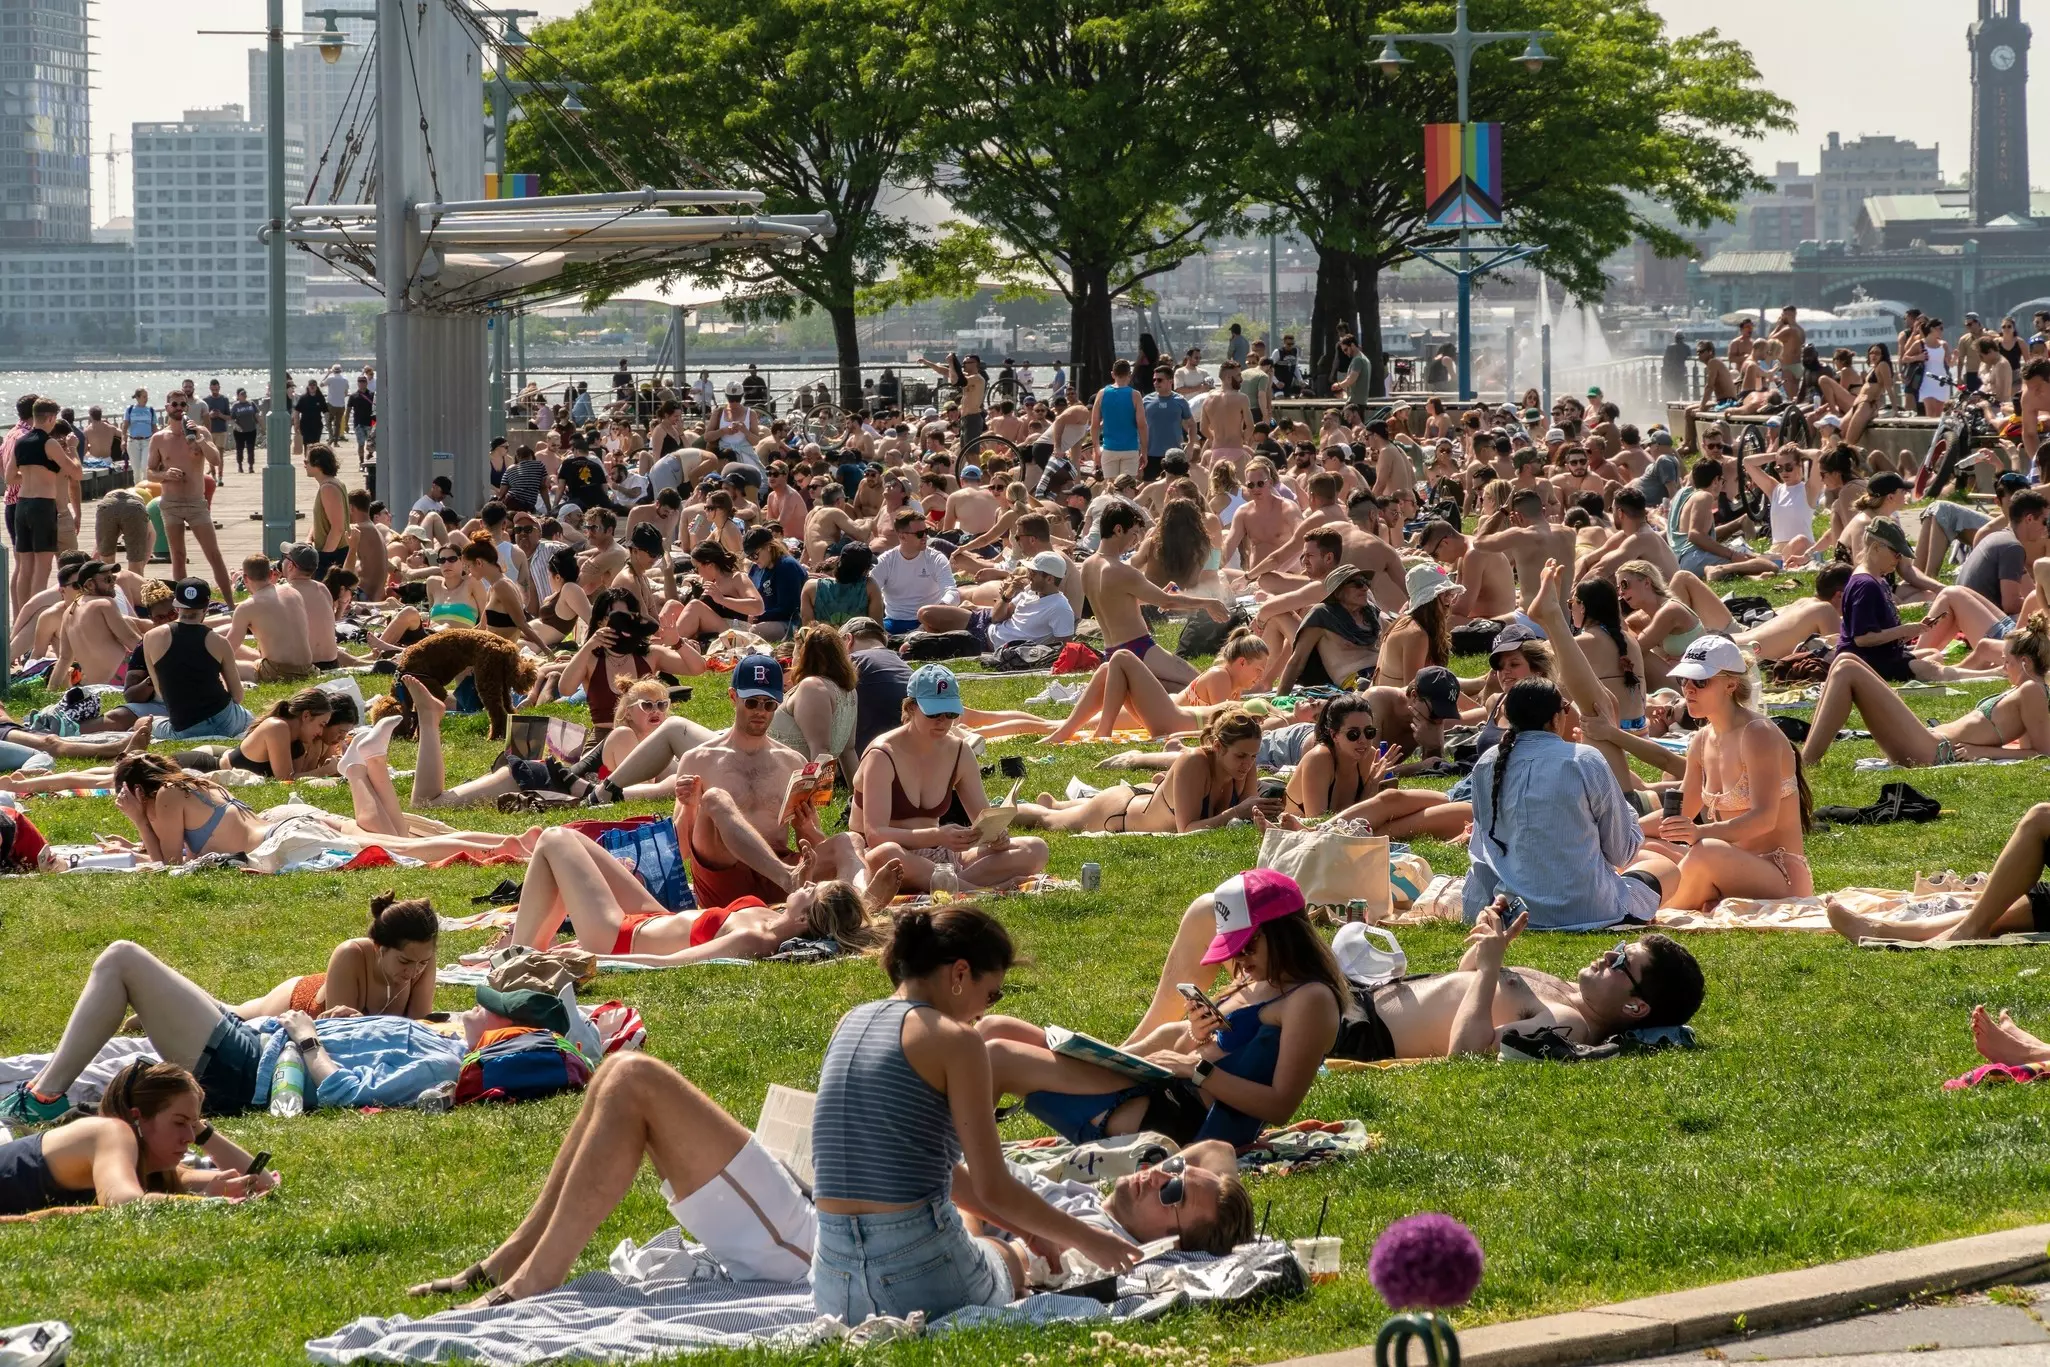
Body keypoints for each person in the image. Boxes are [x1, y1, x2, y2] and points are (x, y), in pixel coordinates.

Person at [810, 906, 1141, 1321]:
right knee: (1004, 1255)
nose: (986, 1010)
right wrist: (1090, 1239)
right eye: (992, 994)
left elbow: (930, 1169)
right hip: (919, 1280)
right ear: (960, 973)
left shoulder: (849, 1021)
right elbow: (993, 1186)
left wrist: (1029, 1226)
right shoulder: (956, 1041)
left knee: (997, 1241)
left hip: (833, 1285)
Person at [982, 869, 1340, 1148]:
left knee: (997, 1057)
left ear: (1283, 933)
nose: (1239, 960)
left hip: (1175, 1117)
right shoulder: (1260, 979)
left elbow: (1281, 1106)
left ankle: (944, 1171)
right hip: (1155, 1084)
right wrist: (1198, 1036)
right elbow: (1217, 1054)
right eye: (1234, 950)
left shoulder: (1310, 999)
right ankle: (943, 1159)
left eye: (1247, 947)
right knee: (993, 1029)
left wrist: (1195, 1068)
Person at [1646, 636, 1812, 908]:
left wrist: (1702, 833)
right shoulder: (1700, 740)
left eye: (1700, 681)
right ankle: (1646, 902)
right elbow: (1682, 811)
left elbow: (1764, 819)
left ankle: (1648, 910)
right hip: (1730, 865)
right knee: (1648, 847)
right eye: (1683, 681)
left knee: (1706, 851)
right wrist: (1623, 831)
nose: (1689, 689)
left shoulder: (1759, 734)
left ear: (1731, 684)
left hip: (1780, 876)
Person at [852, 664, 1050, 892]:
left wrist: (996, 837)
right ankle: (975, 890)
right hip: (886, 858)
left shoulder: (959, 751)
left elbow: (983, 819)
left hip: (943, 857)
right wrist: (938, 835)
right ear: (911, 707)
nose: (943, 721)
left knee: (1035, 848)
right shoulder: (883, 754)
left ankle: (950, 885)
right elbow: (875, 835)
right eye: (934, 713)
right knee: (889, 854)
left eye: (951, 714)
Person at [0, 1059, 278, 1211]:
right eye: (179, 1123)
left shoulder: (153, 1168)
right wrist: (207, 1201)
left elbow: (262, 1183)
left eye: (193, 1126)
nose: (189, 1138)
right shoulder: (111, 1132)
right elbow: (123, 1202)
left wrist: (204, 1132)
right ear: (137, 1117)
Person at [1801, 613, 2050, 769]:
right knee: (1847, 661)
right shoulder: (2027, 691)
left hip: (1931, 751)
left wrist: (1982, 751)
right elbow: (2027, 745)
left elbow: (2042, 752)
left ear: (2025, 662)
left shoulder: (2032, 691)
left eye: (2008, 661)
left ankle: (1805, 762)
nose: (2003, 667)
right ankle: (1806, 758)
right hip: (1927, 741)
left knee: (1847, 668)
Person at [1011, 708, 1280, 834]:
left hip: (1147, 798)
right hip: (1119, 810)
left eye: (1253, 756)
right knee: (1050, 821)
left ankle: (1059, 802)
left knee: (1071, 809)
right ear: (1219, 747)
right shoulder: (1194, 762)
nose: (1248, 763)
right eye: (1241, 755)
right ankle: (998, 813)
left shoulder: (1246, 766)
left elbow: (1247, 815)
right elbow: (1186, 829)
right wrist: (1236, 812)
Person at [230, 893, 439, 1021]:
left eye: (422, 963)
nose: (413, 972)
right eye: (404, 962)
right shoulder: (351, 954)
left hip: (332, 985)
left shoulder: (423, 960)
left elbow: (418, 1027)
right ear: (379, 947)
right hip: (292, 1004)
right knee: (230, 1016)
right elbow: (341, 1036)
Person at [138, 579, 252, 741]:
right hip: (226, 722)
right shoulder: (219, 642)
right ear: (206, 608)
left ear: (177, 607)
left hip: (184, 726)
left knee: (141, 723)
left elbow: (160, 691)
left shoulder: (150, 638)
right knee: (249, 717)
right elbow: (237, 696)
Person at [767, 623, 861, 768]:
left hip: (786, 782)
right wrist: (857, 791)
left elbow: (820, 752)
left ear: (801, 652)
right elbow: (848, 751)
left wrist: (818, 791)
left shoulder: (812, 687)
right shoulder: (849, 691)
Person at [1273, 565, 1381, 690]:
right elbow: (1297, 661)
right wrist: (1281, 699)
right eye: (1358, 583)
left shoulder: (1370, 612)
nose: (1365, 588)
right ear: (1338, 591)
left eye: (1366, 583)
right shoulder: (1323, 615)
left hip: (1382, 671)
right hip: (1357, 682)